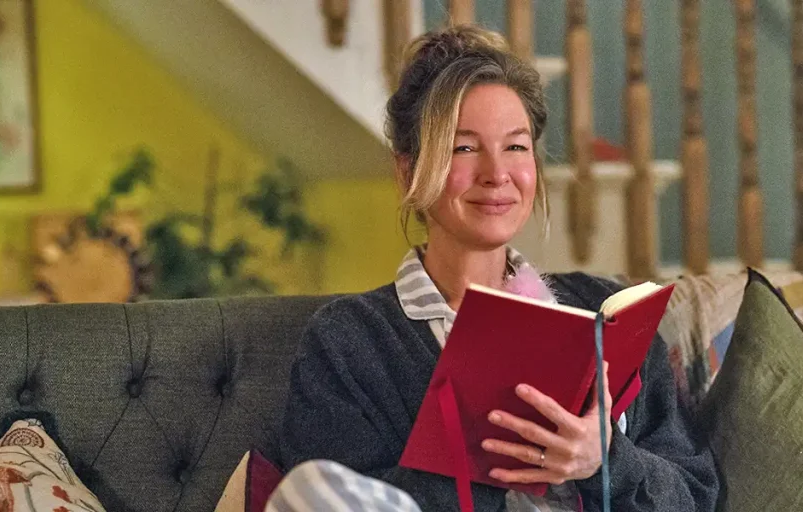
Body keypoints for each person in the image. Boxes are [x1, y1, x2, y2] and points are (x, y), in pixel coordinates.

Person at [277, 25, 719, 511]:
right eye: (464, 148)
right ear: (407, 170)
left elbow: (695, 495)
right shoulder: (350, 341)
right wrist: (490, 450)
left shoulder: (602, 311)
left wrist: (606, 459)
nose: (497, 174)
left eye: (515, 146)